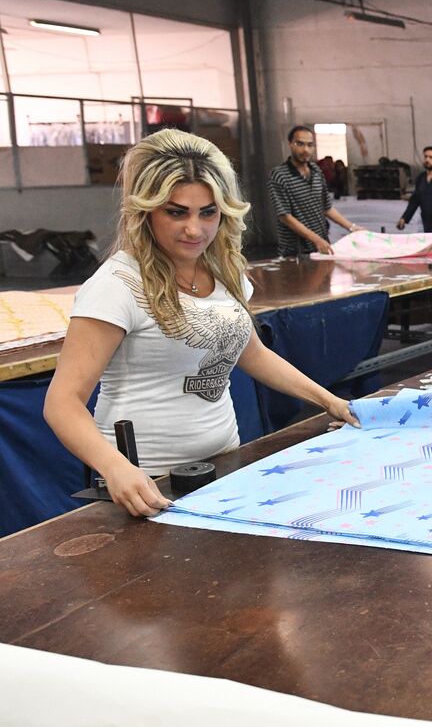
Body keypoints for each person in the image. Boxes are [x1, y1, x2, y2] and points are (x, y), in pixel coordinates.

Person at [44, 129, 360, 518]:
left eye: (208, 212)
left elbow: (253, 353)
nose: (195, 230)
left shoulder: (225, 271)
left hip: (225, 467)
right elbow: (62, 402)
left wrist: (329, 401)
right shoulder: (118, 284)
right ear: (146, 211)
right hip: (148, 485)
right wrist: (114, 467)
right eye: (176, 212)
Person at [269, 125, 364, 256]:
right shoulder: (280, 175)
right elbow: (285, 216)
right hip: (296, 252)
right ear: (290, 144)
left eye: (310, 145)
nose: (305, 149)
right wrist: (316, 239)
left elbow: (327, 207)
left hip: (321, 248)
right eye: (300, 144)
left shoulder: (316, 171)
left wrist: (352, 227)